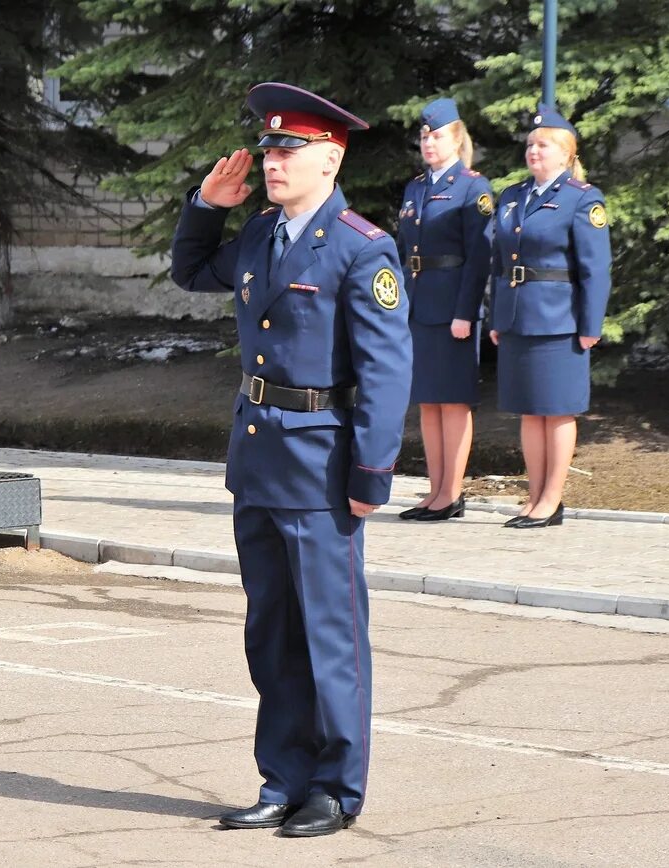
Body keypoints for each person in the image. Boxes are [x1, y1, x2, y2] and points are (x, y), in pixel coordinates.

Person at [170, 82, 412, 837]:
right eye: (270, 149)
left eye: (289, 150)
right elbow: (189, 270)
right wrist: (208, 205)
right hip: (259, 461)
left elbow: (384, 371)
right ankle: (282, 778)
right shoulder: (259, 235)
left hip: (321, 463)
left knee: (329, 635)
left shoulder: (360, 249)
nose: (274, 162)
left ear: (330, 159)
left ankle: (336, 788)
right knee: (270, 633)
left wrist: (372, 473)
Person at [488, 105, 611, 529]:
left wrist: (590, 326)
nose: (533, 151)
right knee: (528, 409)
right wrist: (496, 315)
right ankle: (534, 494)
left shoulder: (581, 198)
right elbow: (498, 262)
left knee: (557, 410)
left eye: (543, 145)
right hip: (518, 316)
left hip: (561, 320)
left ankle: (552, 499)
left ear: (565, 154)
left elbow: (596, 268)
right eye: (530, 144)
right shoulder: (513, 197)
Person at [395, 98, 493, 522]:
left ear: (456, 138)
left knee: (453, 402)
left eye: (436, 136)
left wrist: (466, 312)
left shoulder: (473, 187)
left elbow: (479, 257)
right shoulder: (416, 187)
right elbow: (403, 252)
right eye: (424, 136)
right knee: (428, 403)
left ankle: (452, 493)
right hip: (418, 304)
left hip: (452, 304)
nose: (428, 143)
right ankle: (435, 491)